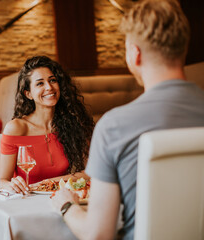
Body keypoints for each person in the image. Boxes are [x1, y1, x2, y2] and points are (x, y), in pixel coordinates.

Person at [51, 1, 204, 239]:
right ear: (183, 48)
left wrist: (66, 205)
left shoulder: (114, 127)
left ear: (135, 53)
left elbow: (97, 234)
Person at [0, 55, 94, 194]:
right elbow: (1, 182)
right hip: (27, 200)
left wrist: (49, 183)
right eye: (40, 83)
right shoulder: (17, 128)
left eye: (52, 80)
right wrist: (11, 185)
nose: (49, 87)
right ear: (28, 94)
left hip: (62, 198)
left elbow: (90, 172)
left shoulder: (74, 122)